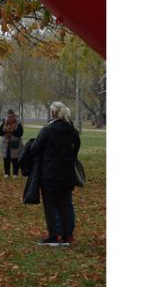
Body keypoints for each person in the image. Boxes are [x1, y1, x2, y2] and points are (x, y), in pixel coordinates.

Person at [30, 101, 82, 247]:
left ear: (53, 113)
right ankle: (67, 235)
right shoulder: (72, 131)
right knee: (66, 204)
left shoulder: (47, 130)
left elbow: (34, 149)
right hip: (67, 173)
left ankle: (54, 236)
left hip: (49, 173)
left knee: (51, 205)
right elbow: (76, 149)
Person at [0, 109, 25, 178]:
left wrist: (12, 131)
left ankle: (15, 174)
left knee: (15, 159)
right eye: (8, 116)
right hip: (6, 144)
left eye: (11, 116)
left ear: (14, 116)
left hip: (15, 143)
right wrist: (5, 130)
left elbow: (20, 133)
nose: (10, 118)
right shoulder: (4, 123)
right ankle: (6, 173)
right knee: (6, 159)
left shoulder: (18, 124)